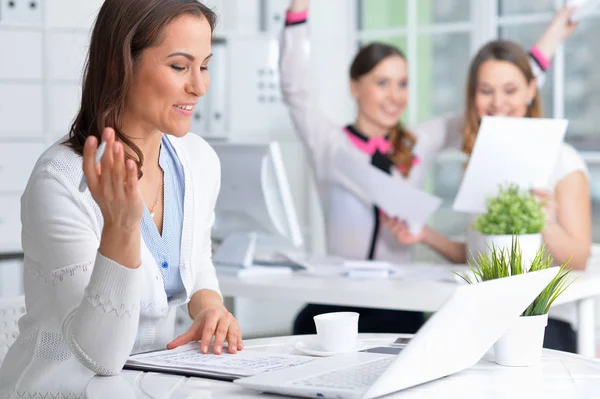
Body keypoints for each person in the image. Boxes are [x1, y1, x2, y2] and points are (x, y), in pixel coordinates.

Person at [281, 0, 578, 336]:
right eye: (382, 83)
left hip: (399, 305)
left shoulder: (418, 142)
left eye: (403, 83)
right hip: (337, 301)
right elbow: (295, 90)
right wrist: (297, 11)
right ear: (354, 87)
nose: (395, 95)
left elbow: (498, 99)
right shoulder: (329, 145)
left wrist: (554, 34)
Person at [0, 1, 242, 397]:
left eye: (205, 65)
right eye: (180, 66)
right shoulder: (61, 180)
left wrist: (210, 308)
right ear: (120, 65)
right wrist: (122, 226)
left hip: (147, 387)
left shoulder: (199, 160)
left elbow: (196, 260)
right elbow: (102, 356)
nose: (199, 86)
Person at [384, 36, 590, 353]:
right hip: (482, 312)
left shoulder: (563, 162)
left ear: (531, 90)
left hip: (543, 319)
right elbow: (482, 257)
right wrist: (425, 235)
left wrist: (545, 221)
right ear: (473, 97)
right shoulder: (478, 164)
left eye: (510, 90)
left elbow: (579, 258)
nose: (497, 103)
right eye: (486, 91)